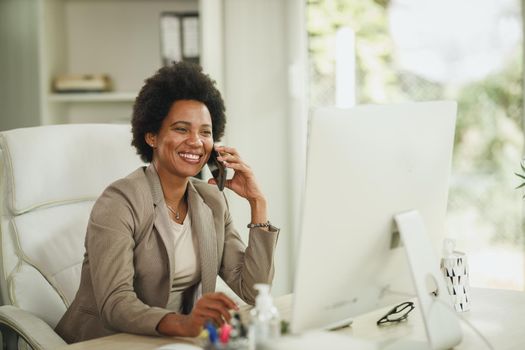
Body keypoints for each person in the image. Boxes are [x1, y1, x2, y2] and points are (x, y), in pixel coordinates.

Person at [55, 62, 279, 343]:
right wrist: (185, 324)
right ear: (152, 136)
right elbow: (116, 303)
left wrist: (258, 203)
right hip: (107, 341)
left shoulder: (212, 202)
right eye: (182, 129)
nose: (196, 142)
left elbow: (253, 289)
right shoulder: (119, 202)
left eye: (206, 132)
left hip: (174, 341)